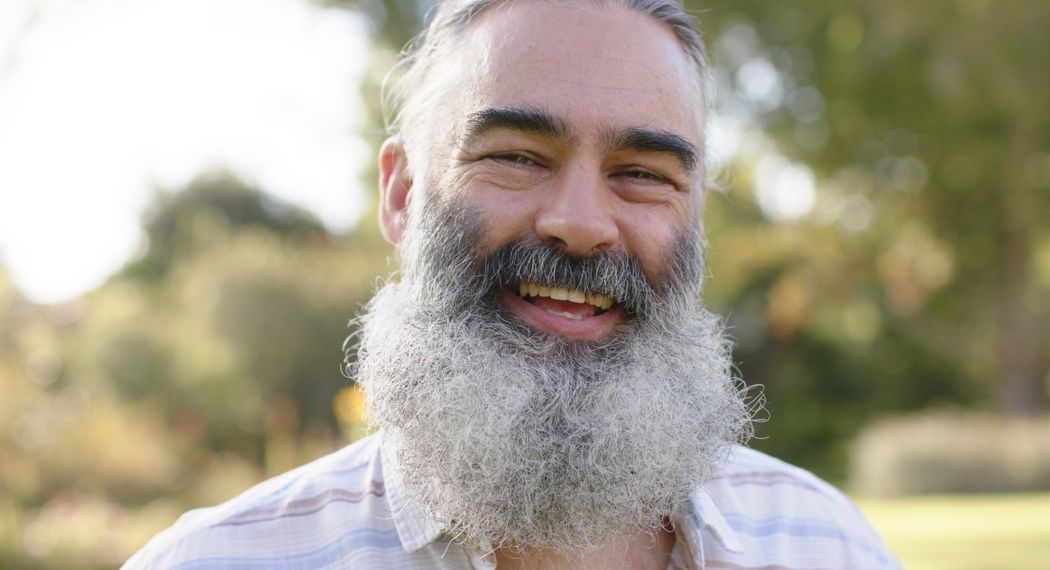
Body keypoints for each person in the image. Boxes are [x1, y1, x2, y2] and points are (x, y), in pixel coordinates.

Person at [125, 0, 900, 568]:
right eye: (517, 156)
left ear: (696, 220)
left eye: (641, 175)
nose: (582, 223)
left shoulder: (829, 547)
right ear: (400, 195)